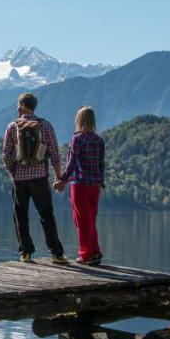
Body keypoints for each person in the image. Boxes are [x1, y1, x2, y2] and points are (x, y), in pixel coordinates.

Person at [2, 92, 69, 264]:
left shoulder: (12, 126)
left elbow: (6, 154)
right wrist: (58, 176)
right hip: (40, 177)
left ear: (23, 106)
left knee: (20, 215)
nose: (17, 107)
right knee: (46, 215)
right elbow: (54, 152)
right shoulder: (46, 126)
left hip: (20, 179)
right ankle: (57, 253)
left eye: (18, 104)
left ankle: (26, 252)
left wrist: (12, 173)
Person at [54, 106, 105, 265]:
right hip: (94, 186)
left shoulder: (77, 139)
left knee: (81, 221)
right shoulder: (99, 140)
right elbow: (101, 164)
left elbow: (72, 163)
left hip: (80, 185)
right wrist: (100, 183)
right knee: (90, 220)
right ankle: (95, 252)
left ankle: (85, 255)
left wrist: (62, 180)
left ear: (79, 120)